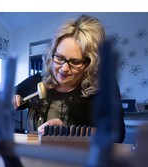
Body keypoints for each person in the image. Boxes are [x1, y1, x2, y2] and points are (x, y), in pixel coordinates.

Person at [12, 14, 125, 143]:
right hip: (34, 156)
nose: (64, 68)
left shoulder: (103, 86)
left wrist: (67, 131)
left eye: (75, 61)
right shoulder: (38, 80)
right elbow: (5, 97)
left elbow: (116, 135)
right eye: (59, 58)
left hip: (76, 161)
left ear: (90, 63)